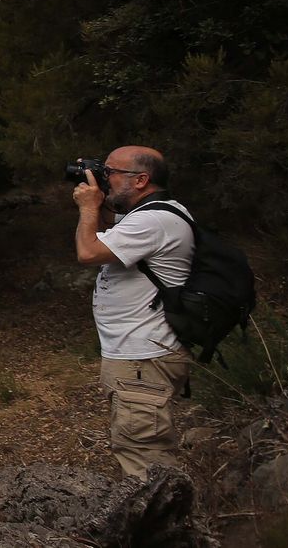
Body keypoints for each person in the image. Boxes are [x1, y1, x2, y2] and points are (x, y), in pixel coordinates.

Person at [72, 145, 195, 480]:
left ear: (141, 179)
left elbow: (88, 251)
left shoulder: (153, 220)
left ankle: (163, 529)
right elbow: (110, 234)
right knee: (137, 445)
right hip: (138, 356)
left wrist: (87, 207)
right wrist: (100, 197)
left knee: (144, 461)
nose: (104, 178)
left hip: (143, 358)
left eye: (110, 172)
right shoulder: (150, 214)